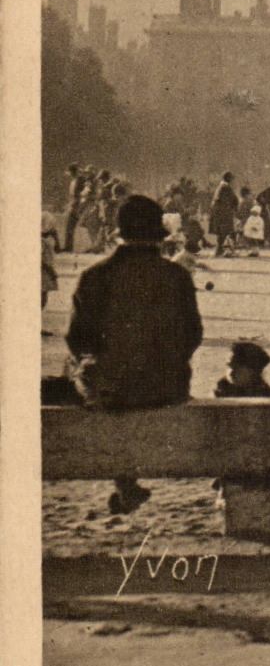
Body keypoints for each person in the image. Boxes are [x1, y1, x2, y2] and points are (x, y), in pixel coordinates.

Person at [65, 195, 204, 514]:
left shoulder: (94, 276)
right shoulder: (177, 277)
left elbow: (76, 338)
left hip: (111, 389)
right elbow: (193, 334)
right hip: (167, 388)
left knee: (93, 380)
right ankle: (126, 484)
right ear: (158, 234)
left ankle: (124, 481)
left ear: (120, 232)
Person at [209, 172, 239, 256]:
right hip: (223, 213)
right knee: (224, 230)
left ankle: (220, 249)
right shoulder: (225, 187)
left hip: (221, 212)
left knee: (222, 231)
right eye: (233, 179)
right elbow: (231, 199)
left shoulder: (222, 186)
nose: (234, 181)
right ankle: (219, 249)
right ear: (229, 179)